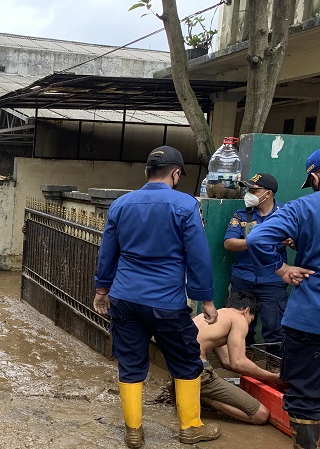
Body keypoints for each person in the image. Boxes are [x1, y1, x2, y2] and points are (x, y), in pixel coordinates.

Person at [93, 145, 221, 448]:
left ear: (146, 172)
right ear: (176, 173)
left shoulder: (121, 205)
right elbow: (198, 256)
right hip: (166, 303)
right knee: (187, 361)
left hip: (125, 299)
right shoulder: (185, 205)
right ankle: (190, 427)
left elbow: (107, 252)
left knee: (130, 363)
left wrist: (102, 290)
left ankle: (133, 431)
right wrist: (206, 299)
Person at [247, 145, 320, 449]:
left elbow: (258, 238)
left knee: (304, 399)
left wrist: (282, 269)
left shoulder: (304, 207)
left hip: (309, 318)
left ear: (315, 178)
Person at [223, 173, 291, 346]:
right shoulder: (241, 215)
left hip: (272, 280)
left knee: (274, 330)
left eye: (254, 191)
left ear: (268, 193)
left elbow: (298, 242)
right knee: (239, 329)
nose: (249, 194)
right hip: (243, 278)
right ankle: (241, 359)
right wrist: (257, 241)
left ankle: (274, 362)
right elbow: (229, 243)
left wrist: (292, 241)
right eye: (249, 190)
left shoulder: (285, 214)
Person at [194, 291, 282, 425]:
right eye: (250, 320)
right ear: (246, 311)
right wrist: (273, 377)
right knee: (261, 415)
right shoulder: (239, 319)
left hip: (178, 367)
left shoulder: (214, 316)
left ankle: (194, 392)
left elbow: (226, 361)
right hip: (197, 370)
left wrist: (257, 373)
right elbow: (238, 363)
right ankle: (204, 397)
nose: (248, 324)